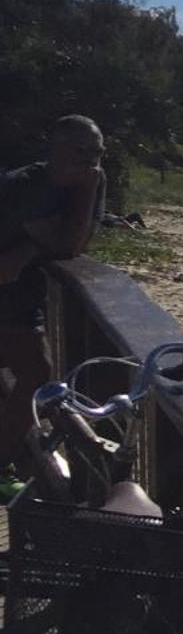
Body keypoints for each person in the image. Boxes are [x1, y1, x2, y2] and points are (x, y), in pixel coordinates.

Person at [0, 116, 106, 494]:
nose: (91, 160)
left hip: (19, 289)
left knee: (34, 372)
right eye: (81, 151)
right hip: (9, 291)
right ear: (56, 150)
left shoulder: (92, 180)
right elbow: (64, 243)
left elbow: (76, 243)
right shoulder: (26, 186)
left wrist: (28, 248)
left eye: (98, 152)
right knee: (36, 371)